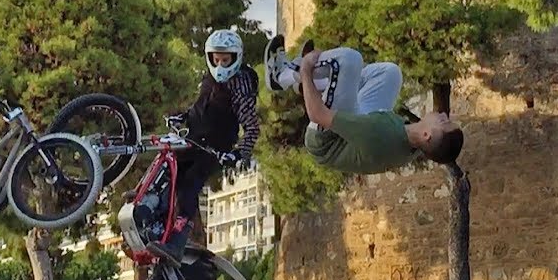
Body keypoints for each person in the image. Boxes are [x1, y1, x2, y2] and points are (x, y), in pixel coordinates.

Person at [263, 35, 464, 174]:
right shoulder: (418, 145)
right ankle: (318, 83)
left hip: (327, 139)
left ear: (427, 135)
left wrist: (307, 69)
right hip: (361, 126)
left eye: (445, 123)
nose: (445, 116)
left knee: (349, 60)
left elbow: (317, 114)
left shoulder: (380, 133)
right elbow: (440, 150)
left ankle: (284, 75)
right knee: (390, 73)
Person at [147, 29, 261, 262]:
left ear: (236, 57)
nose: (220, 65)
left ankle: (177, 242)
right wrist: (183, 117)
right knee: (165, 169)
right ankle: (152, 213)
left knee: (188, 187)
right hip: (193, 138)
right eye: (215, 59)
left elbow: (251, 126)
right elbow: (199, 109)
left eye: (225, 60)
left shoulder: (241, 84)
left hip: (215, 147)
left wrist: (240, 152)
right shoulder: (208, 79)